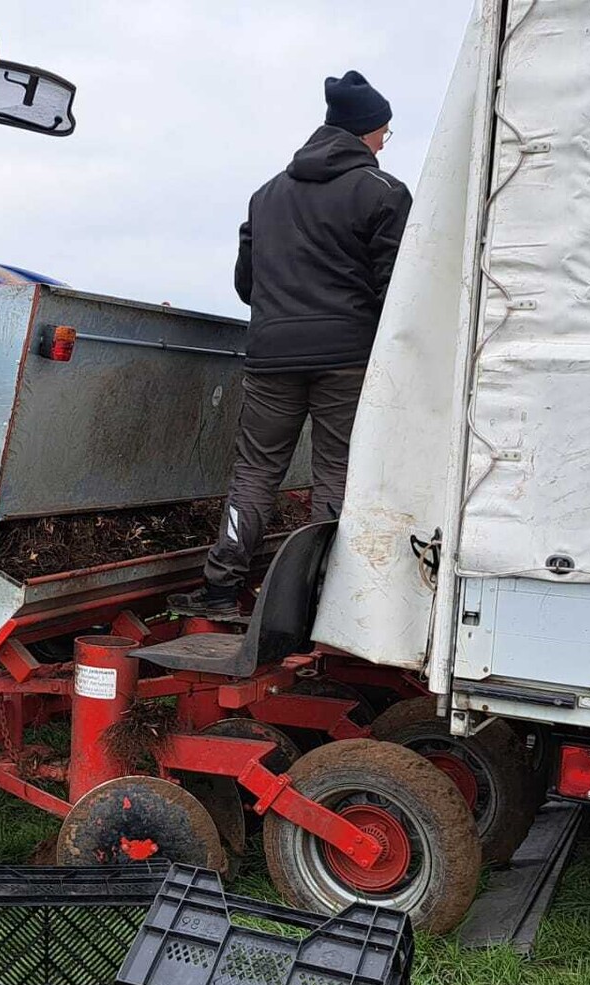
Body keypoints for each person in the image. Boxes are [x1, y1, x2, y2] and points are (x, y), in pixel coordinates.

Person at [170, 71, 413, 620]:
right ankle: (322, 599)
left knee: (255, 471)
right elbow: (396, 288)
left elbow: (246, 285)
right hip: (346, 359)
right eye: (384, 132)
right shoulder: (383, 193)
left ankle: (221, 588)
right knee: (336, 473)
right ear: (365, 131)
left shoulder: (267, 195)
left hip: (272, 357)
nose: (383, 143)